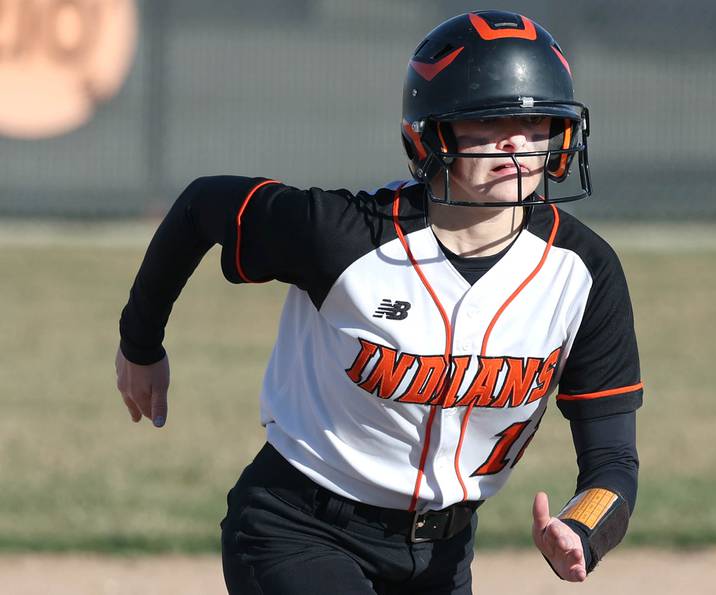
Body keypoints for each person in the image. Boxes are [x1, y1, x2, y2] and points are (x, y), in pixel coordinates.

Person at [115, 10, 642, 594]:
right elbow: (200, 206)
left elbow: (613, 465)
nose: (516, 140)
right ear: (431, 134)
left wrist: (582, 529)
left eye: (538, 121)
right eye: (488, 120)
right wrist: (140, 343)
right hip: (299, 527)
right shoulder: (342, 234)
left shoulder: (584, 272)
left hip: (443, 556)